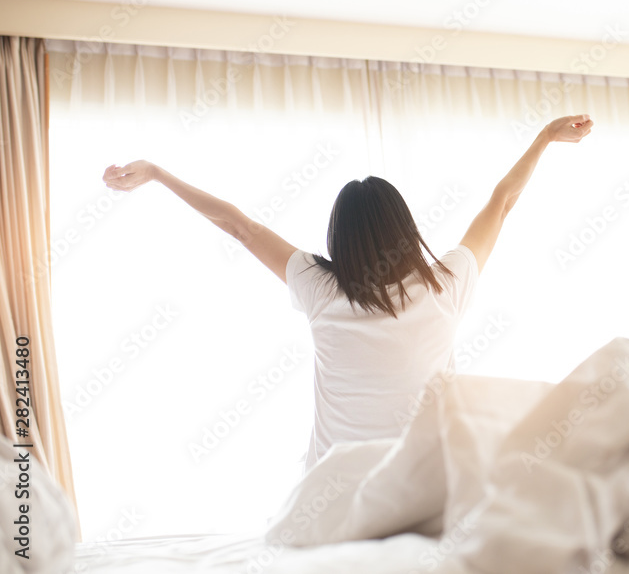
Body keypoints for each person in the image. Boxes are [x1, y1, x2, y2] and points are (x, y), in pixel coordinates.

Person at [102, 114, 593, 470]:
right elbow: (502, 203)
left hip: (333, 498)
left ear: (339, 238)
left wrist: (159, 174)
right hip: (425, 487)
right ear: (405, 229)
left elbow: (240, 227)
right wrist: (544, 138)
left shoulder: (320, 286)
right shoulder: (445, 284)